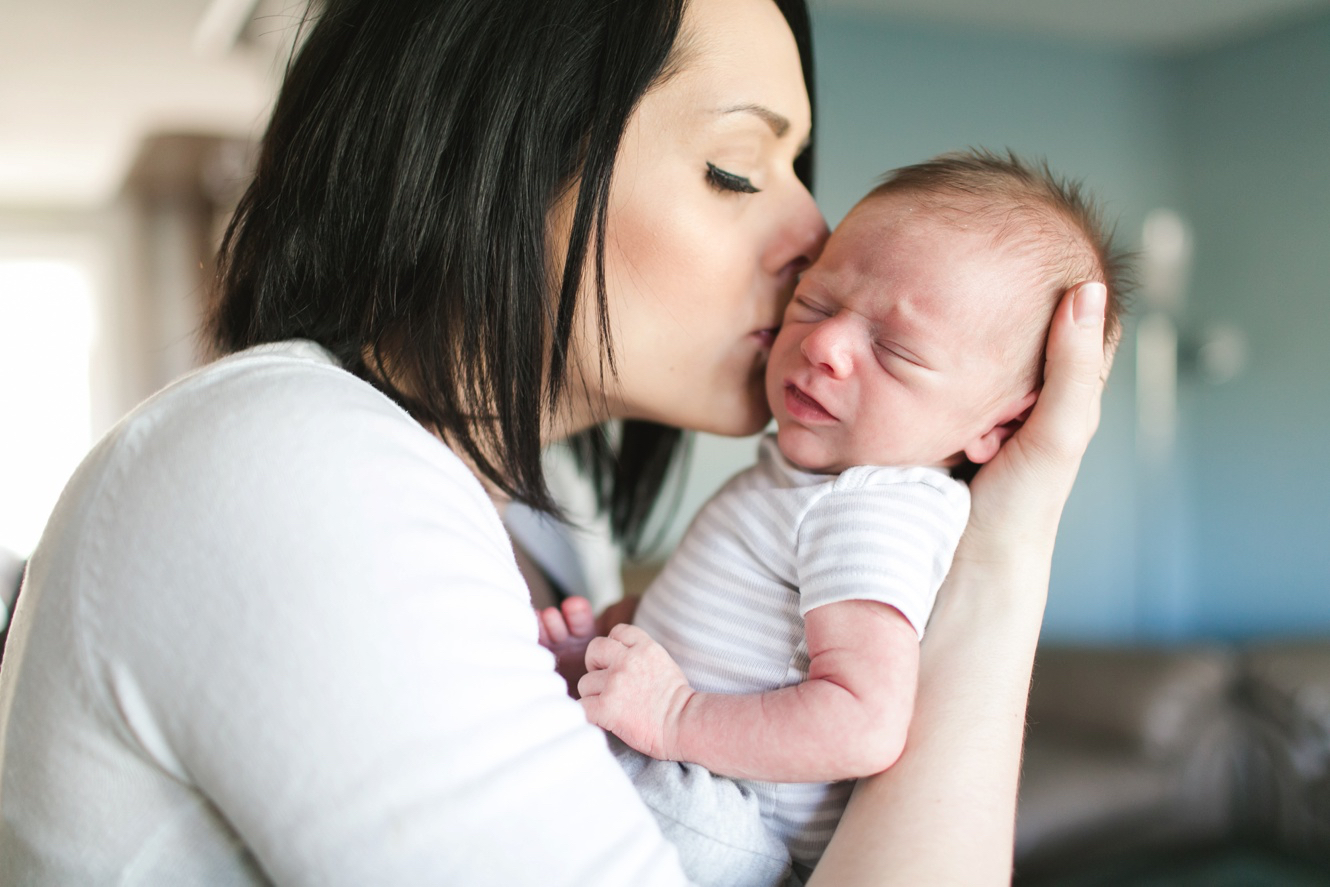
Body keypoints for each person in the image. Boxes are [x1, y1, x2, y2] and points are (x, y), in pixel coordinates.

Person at [0, 0, 1115, 884]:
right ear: (500, 152)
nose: (815, 236)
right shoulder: (291, 470)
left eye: (795, 171)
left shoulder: (543, 523)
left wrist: (1007, 532)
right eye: (736, 168)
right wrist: (1004, 558)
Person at [538, 150, 1129, 885]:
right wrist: (614, 642)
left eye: (895, 349)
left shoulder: (873, 509)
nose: (823, 344)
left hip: (726, 823)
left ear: (997, 428)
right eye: (815, 303)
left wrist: (673, 714)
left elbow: (861, 721)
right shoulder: (815, 484)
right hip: (703, 792)